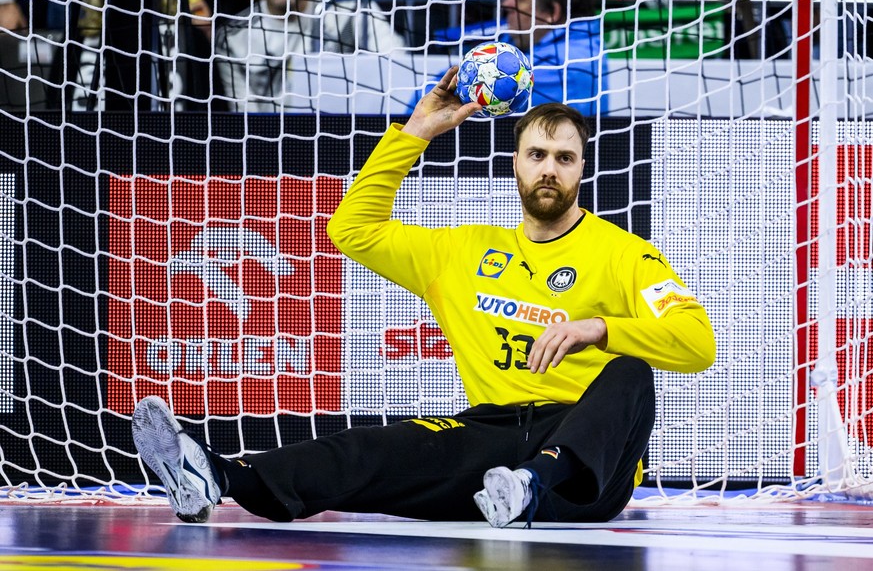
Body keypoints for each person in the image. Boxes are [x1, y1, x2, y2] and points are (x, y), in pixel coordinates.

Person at [131, 66, 716, 527]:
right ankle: (216, 480)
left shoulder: (625, 255)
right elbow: (351, 231)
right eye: (537, 155)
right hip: (492, 445)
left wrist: (599, 329)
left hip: (590, 472)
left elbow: (698, 343)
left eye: (564, 158)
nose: (549, 170)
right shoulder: (466, 252)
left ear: (582, 169)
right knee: (373, 449)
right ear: (514, 162)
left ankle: (534, 482)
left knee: (631, 373)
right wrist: (414, 134)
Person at [412, 0, 607, 116]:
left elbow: (460, 84)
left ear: (552, 13)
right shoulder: (529, 42)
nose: (506, 4)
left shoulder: (575, 60)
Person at [214, 0, 405, 112]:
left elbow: (398, 67)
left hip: (351, 131)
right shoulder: (232, 37)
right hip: (275, 144)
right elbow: (245, 114)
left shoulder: (352, 8)